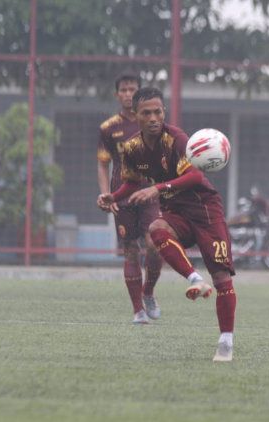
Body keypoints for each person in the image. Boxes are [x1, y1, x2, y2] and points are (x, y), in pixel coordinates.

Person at [97, 87, 237, 362]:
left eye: (158, 111)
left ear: (164, 112)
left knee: (222, 278)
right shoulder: (133, 148)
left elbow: (196, 177)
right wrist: (113, 196)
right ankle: (195, 279)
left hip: (206, 211)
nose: (153, 117)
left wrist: (157, 189)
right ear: (134, 115)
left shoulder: (176, 139)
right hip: (176, 211)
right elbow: (133, 182)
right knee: (156, 231)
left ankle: (226, 342)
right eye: (146, 112)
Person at [97, 73, 164, 325]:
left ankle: (148, 292)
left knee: (155, 244)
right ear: (117, 94)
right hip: (122, 195)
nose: (127, 94)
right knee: (131, 251)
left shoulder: (151, 121)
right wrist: (107, 195)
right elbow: (103, 164)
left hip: (150, 193)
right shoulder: (108, 128)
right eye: (123, 90)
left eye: (132, 89)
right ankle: (138, 310)